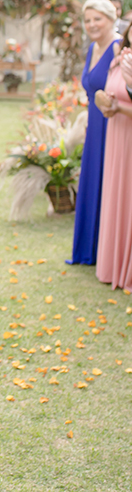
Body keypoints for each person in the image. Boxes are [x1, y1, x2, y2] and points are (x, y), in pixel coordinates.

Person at [67, 0, 120, 266]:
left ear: (112, 18)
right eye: (87, 20)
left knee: (109, 185)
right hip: (94, 126)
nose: (91, 25)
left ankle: (106, 251)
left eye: (97, 19)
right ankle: (88, 249)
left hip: (115, 127)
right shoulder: (92, 48)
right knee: (92, 182)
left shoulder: (119, 46)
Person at [95, 22, 132, 292]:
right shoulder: (119, 61)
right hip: (116, 136)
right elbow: (110, 96)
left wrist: (121, 106)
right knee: (116, 196)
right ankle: (112, 264)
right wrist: (106, 103)